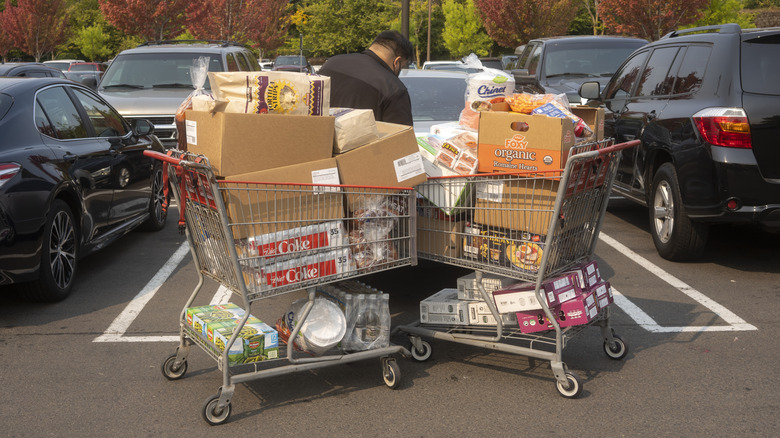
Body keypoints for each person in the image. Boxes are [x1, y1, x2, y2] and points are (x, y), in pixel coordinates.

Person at [318, 30, 414, 126]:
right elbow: (401, 138)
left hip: (317, 138)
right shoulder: (393, 88)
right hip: (362, 141)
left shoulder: (331, 64)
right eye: (401, 67)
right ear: (397, 62)